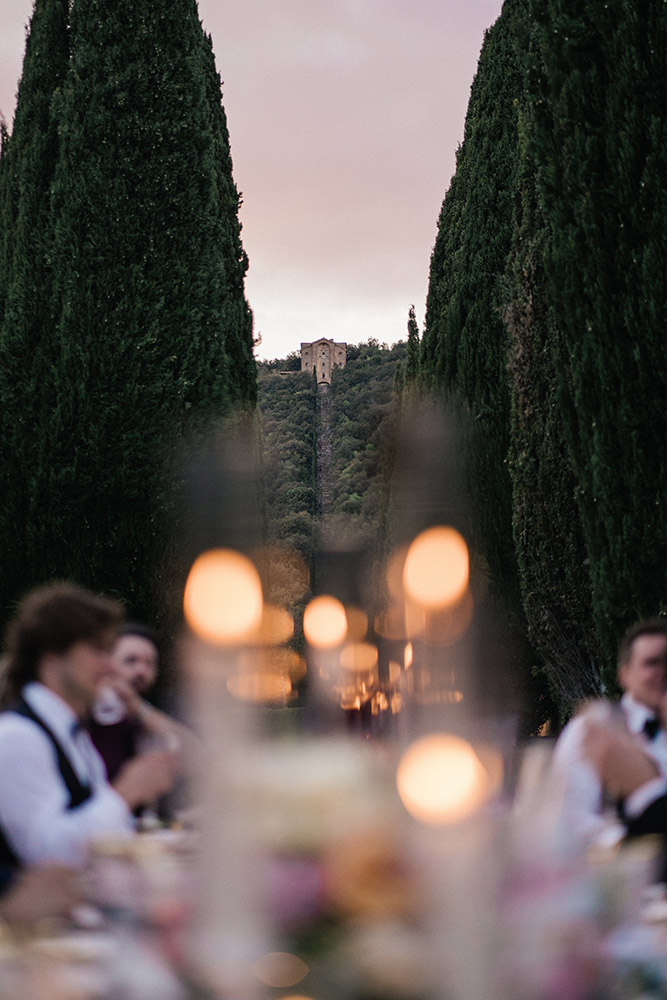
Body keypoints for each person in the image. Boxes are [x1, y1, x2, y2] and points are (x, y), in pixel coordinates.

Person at [0, 582, 179, 878]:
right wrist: (127, 792)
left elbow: (104, 835)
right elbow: (46, 855)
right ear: (51, 657)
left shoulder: (71, 732)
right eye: (98, 650)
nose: (110, 666)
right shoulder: (18, 737)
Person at [550, 617, 667, 850]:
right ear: (624, 675)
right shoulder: (594, 729)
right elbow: (571, 820)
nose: (664, 672)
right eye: (652, 663)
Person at [88, 621, 193, 783]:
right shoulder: (86, 712)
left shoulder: (147, 715)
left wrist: (138, 708)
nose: (142, 671)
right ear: (106, 663)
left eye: (149, 663)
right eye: (131, 660)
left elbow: (197, 759)